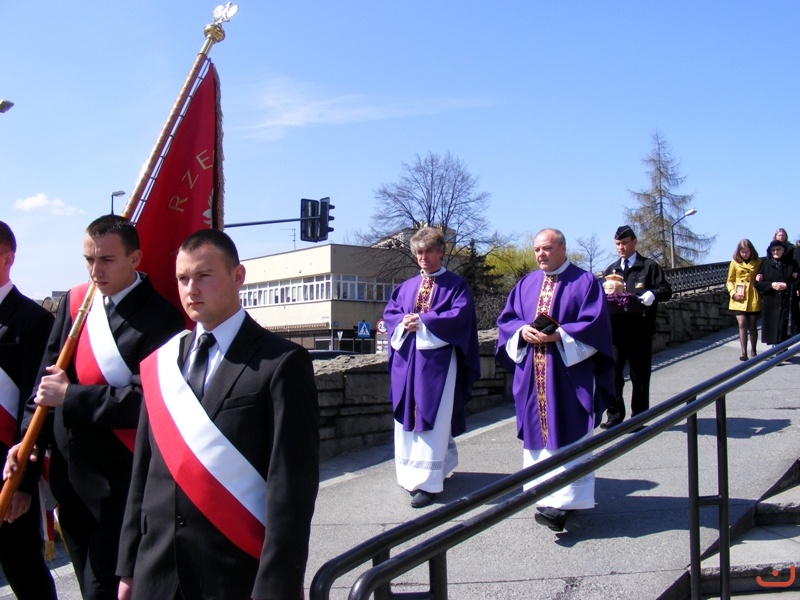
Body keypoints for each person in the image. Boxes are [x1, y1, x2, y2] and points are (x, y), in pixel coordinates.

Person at [117, 229, 319, 600]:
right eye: (182, 278)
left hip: (234, 575)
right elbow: (143, 473)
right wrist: (128, 567)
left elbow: (291, 490)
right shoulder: (162, 363)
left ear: (237, 276)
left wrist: (277, 587)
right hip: (156, 573)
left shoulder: (281, 362)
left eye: (204, 275)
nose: (191, 289)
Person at [4, 215, 185, 600]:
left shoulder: (162, 317)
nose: (94, 270)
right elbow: (43, 387)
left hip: (120, 484)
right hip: (69, 482)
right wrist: (27, 462)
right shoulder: (75, 303)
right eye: (88, 259)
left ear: (134, 258)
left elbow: (148, 400)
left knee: (104, 588)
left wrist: (71, 396)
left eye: (106, 260)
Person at [496, 228, 614, 532]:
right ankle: (543, 495)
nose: (540, 254)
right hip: (532, 376)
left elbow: (596, 326)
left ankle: (565, 503)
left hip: (568, 376)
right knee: (539, 434)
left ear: (562, 248)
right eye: (537, 249)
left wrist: (560, 334)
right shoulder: (525, 284)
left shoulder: (585, 282)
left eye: (547, 248)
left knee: (569, 429)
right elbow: (507, 321)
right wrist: (521, 331)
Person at [383, 227, 480, 509]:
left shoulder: (455, 285)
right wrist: (403, 322)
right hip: (406, 363)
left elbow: (460, 316)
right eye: (419, 252)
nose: (423, 257)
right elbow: (391, 314)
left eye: (428, 251)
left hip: (438, 364)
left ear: (440, 252)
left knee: (433, 416)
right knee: (407, 416)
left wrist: (424, 321)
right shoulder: (406, 287)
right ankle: (409, 474)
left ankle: (428, 481)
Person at [0, 221, 57, 600]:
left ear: (8, 258)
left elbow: (37, 406)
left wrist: (24, 483)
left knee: (23, 568)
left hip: (9, 469)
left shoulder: (33, 320)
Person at [600, 225, 672, 429]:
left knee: (639, 374)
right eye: (617, 244)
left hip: (640, 329)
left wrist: (653, 294)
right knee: (613, 373)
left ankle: (639, 417)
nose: (620, 247)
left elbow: (666, 291)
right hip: (616, 331)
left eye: (624, 243)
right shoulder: (611, 270)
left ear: (634, 242)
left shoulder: (648, 267)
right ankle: (614, 415)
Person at [755, 240, 797, 346]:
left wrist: (787, 285)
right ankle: (777, 349)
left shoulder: (792, 264)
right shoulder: (766, 264)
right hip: (771, 301)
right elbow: (758, 284)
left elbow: (798, 282)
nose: (775, 252)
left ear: (783, 250)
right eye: (773, 250)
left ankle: (782, 349)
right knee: (773, 329)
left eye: (778, 249)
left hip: (786, 300)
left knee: (783, 327)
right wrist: (771, 285)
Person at [726, 239, 762, 361]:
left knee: (752, 325)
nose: (745, 254)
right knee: (742, 323)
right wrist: (733, 293)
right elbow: (729, 281)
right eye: (742, 252)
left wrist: (760, 278)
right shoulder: (734, 263)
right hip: (739, 297)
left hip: (752, 296)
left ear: (751, 251)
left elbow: (763, 276)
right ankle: (743, 352)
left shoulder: (758, 262)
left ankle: (753, 351)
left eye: (747, 252)